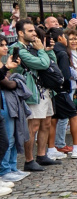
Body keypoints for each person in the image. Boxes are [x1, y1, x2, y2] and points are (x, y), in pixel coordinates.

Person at [12, 19, 60, 171]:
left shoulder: (33, 47)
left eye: (34, 30)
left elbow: (52, 63)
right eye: (30, 31)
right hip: (31, 92)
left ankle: (41, 155)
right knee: (33, 127)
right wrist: (41, 51)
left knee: (46, 123)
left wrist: (47, 50)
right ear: (21, 33)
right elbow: (43, 64)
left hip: (44, 90)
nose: (34, 33)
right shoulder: (18, 49)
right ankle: (29, 160)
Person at [48, 27, 77, 159]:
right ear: (60, 38)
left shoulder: (50, 51)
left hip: (52, 90)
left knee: (54, 119)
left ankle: (51, 148)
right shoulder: (62, 53)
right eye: (66, 37)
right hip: (62, 89)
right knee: (73, 116)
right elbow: (66, 75)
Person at [0, 36, 30, 182]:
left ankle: (12, 167)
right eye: (2, 45)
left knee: (13, 135)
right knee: (7, 137)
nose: (5, 47)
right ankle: (4, 170)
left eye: (6, 44)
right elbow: (7, 83)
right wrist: (15, 82)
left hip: (9, 100)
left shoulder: (3, 62)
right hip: (3, 101)